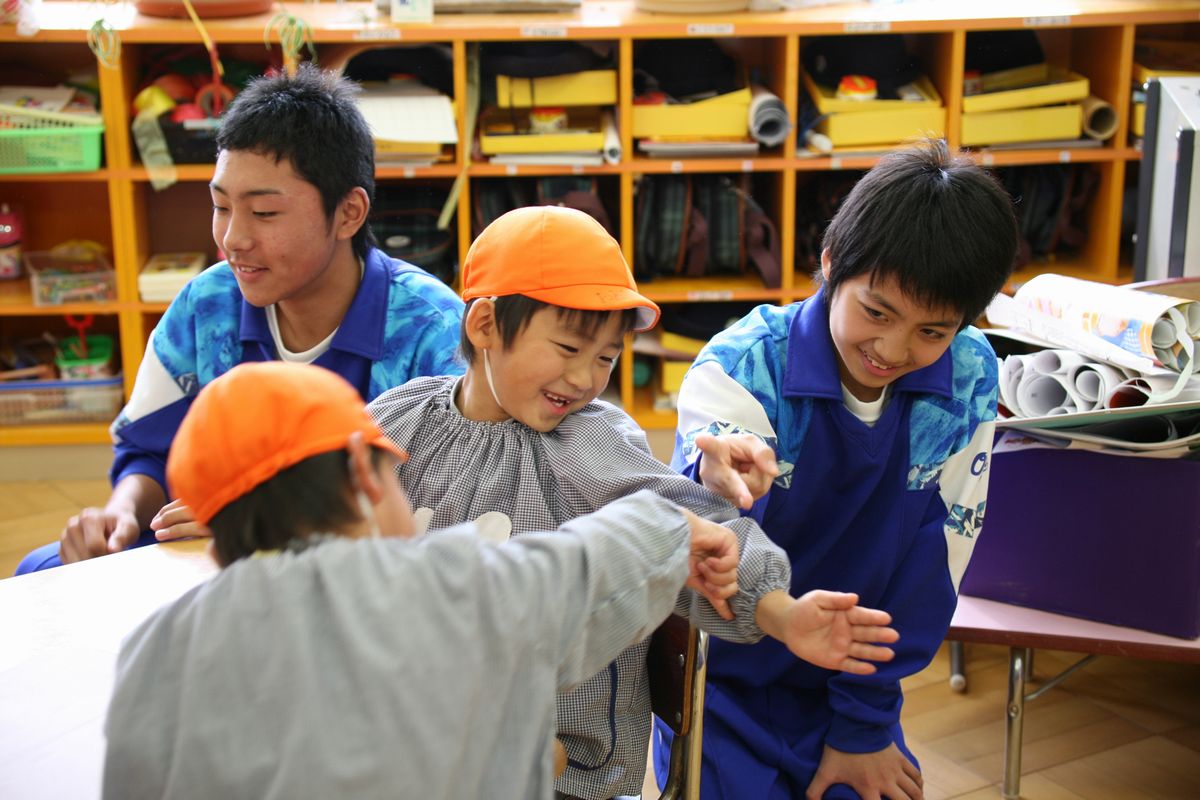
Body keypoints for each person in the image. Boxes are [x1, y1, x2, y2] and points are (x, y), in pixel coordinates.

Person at [367, 205, 900, 800]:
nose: (584, 378)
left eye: (605, 357)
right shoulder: (398, 421)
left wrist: (783, 614)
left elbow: (698, 535)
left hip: (561, 766)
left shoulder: (589, 439)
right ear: (485, 324)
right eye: (568, 346)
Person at [101, 361, 741, 799]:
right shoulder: (449, 584)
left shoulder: (155, 650)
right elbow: (585, 567)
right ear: (361, 469)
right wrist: (679, 528)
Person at [653, 139, 1020, 800]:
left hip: (857, 687)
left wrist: (863, 725)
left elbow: (937, 562)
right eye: (876, 312)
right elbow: (700, 549)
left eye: (932, 330)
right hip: (726, 678)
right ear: (829, 265)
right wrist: (714, 482)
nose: (892, 348)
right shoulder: (743, 367)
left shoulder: (968, 376)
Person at [17, 64, 463, 574]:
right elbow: (149, 451)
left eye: (265, 213)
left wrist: (260, 524)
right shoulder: (206, 305)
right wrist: (119, 513)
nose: (233, 239)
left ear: (349, 213)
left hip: (363, 580)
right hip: (210, 558)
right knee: (43, 570)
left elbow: (444, 511)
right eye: (221, 206)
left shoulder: (433, 331)